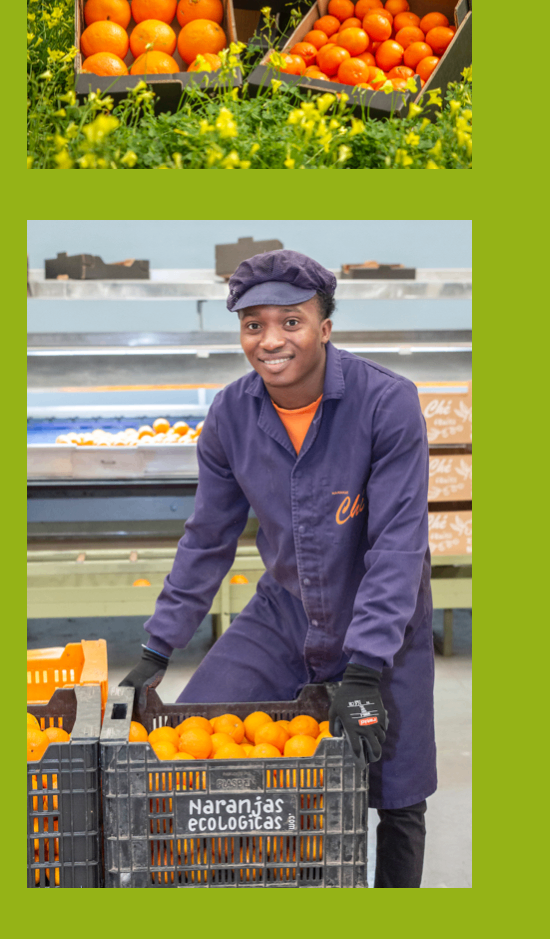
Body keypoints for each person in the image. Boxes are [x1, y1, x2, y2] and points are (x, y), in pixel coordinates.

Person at [119, 250, 435, 888]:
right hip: (283, 615)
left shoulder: (385, 404)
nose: (270, 341)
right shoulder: (231, 416)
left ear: (324, 325)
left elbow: (398, 544)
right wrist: (158, 645)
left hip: (381, 622)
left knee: (396, 790)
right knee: (194, 748)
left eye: (290, 321)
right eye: (253, 324)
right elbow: (209, 536)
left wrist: (368, 665)